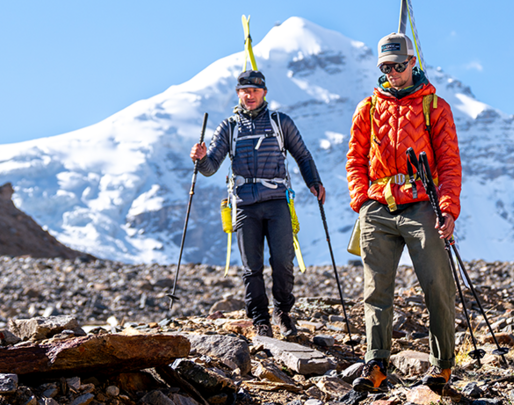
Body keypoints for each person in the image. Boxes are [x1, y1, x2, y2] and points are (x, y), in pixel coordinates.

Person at [346, 33, 462, 394]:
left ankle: (442, 365)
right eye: (386, 67)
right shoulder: (367, 108)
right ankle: (376, 364)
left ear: (413, 63)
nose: (393, 72)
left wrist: (447, 208)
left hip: (420, 203)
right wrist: (361, 201)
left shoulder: (435, 107)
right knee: (375, 290)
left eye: (398, 65)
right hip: (377, 207)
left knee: (437, 284)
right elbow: (355, 158)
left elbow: (449, 163)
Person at [191, 69, 324, 339]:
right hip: (244, 205)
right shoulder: (228, 127)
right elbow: (211, 167)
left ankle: (283, 313)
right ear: (238, 94)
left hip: (276, 202)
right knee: (251, 267)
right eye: (244, 91)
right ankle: (260, 320)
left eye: (254, 90)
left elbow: (302, 155)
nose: (249, 95)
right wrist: (201, 158)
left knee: (283, 262)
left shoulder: (280, 122)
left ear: (264, 92)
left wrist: (314, 183)